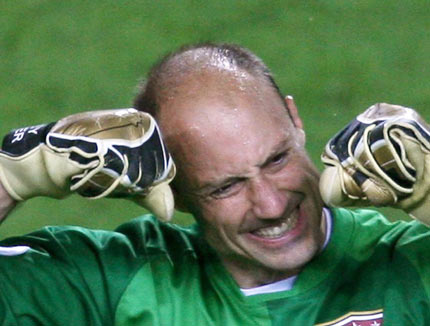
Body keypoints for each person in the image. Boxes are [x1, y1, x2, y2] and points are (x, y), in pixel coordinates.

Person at [0, 43, 429, 325]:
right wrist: (16, 174)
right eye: (225, 187)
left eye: (276, 159)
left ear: (294, 121)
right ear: (177, 192)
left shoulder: (406, 263)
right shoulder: (114, 283)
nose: (271, 204)